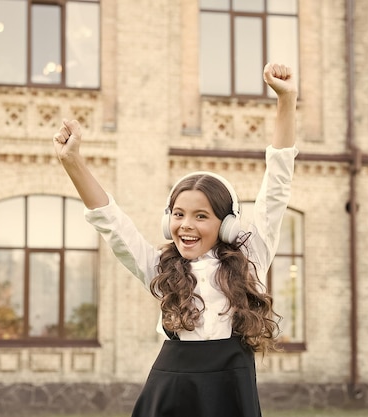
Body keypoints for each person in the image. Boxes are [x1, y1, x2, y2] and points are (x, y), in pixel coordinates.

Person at [53, 62, 298, 417]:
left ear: (227, 224)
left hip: (231, 389)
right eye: (179, 214)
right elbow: (112, 223)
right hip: (170, 390)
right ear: (168, 221)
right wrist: (73, 162)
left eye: (201, 216)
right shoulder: (162, 267)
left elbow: (277, 185)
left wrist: (286, 100)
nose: (186, 225)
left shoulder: (252, 256)